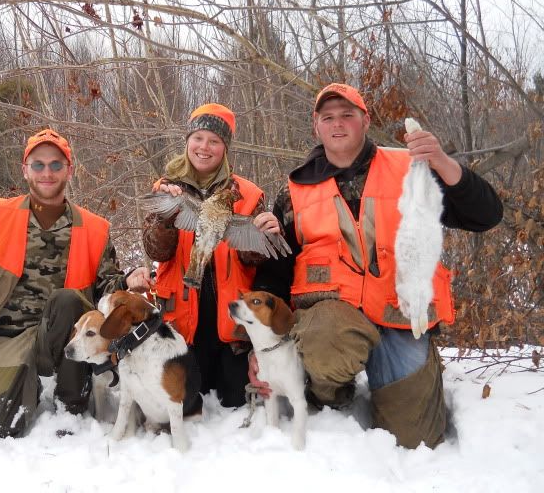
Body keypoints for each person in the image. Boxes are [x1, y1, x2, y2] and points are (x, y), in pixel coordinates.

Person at [249, 83, 503, 448]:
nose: (338, 124)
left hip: (399, 314)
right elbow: (275, 276)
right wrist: (261, 349)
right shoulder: (294, 191)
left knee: (416, 440)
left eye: (347, 115)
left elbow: (486, 215)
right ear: (315, 126)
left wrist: (445, 165)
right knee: (325, 341)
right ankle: (330, 392)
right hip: (333, 320)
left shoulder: (411, 168)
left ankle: (402, 388)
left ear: (365, 121)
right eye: (328, 117)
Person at [0, 127, 152, 437]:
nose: (47, 172)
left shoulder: (94, 229)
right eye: (38, 164)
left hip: (65, 337)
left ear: (69, 170)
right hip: (6, 337)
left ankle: (72, 403)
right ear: (25, 170)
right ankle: (25, 382)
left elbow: (107, 288)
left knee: (68, 301)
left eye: (56, 164)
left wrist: (127, 282)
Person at [143, 103, 276, 408]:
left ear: (225, 148)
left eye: (214, 141)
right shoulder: (166, 189)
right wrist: (168, 217)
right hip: (182, 324)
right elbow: (156, 251)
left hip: (231, 322)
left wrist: (263, 235)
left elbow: (255, 261)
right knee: (186, 398)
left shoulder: (248, 194)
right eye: (198, 138)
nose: (205, 147)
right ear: (187, 141)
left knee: (235, 398)